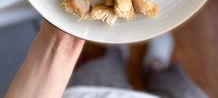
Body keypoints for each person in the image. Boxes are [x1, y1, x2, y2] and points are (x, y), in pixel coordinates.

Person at [6, 21, 207, 98]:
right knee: (177, 79)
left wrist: (62, 43)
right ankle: (155, 66)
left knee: (105, 66)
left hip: (94, 92)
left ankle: (117, 53)